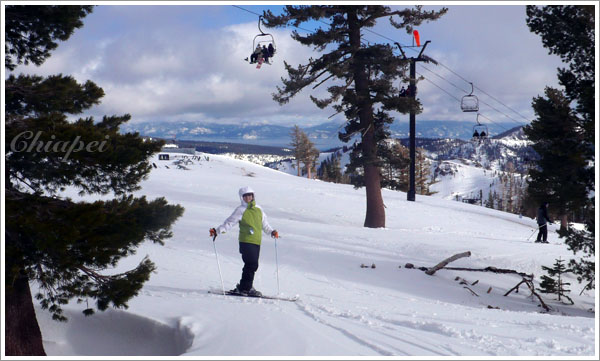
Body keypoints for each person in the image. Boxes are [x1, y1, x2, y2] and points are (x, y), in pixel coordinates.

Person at [210, 186, 279, 296]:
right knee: (251, 264)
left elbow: (265, 225)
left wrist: (272, 232)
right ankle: (246, 288)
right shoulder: (241, 210)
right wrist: (217, 231)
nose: (248, 198)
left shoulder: (259, 209)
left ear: (253, 196)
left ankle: (245, 286)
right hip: (246, 241)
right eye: (245, 196)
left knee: (252, 265)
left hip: (256, 241)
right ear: (242, 198)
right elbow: (229, 223)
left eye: (250, 195)